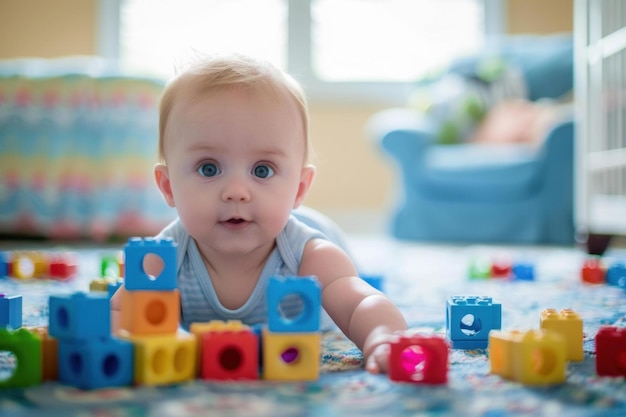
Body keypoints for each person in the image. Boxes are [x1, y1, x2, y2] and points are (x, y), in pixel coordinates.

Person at [110, 53, 407, 374]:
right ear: (168, 187)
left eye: (262, 170)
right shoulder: (165, 256)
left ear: (298, 188)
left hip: (309, 231)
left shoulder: (310, 256)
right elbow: (119, 313)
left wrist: (382, 338)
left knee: (346, 267)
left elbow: (359, 303)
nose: (237, 190)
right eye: (208, 168)